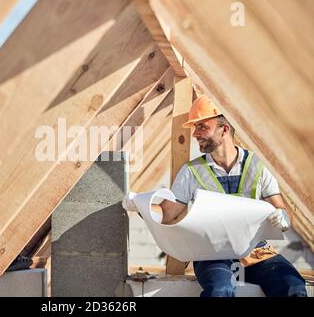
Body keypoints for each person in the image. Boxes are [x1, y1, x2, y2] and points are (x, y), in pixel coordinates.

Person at [123, 95, 307, 297]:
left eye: (202, 127)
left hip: (255, 252)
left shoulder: (258, 166)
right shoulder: (191, 171)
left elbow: (279, 206)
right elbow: (168, 213)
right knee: (220, 291)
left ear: (224, 129)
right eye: (195, 127)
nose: (195, 134)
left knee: (293, 286)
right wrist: (140, 204)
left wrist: (283, 216)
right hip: (211, 253)